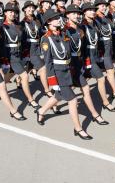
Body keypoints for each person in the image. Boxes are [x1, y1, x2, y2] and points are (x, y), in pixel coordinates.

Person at [36, 9, 93, 140]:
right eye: (55, 18)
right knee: (73, 100)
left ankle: (41, 111)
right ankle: (78, 128)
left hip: (68, 70)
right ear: (49, 22)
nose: (58, 20)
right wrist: (53, 82)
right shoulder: (46, 39)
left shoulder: (62, 34)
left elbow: (68, 54)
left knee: (58, 96)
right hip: (58, 73)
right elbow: (48, 62)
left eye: (58, 18)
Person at [63, 4, 109, 125]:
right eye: (73, 13)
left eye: (77, 13)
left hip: (78, 64)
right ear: (67, 15)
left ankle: (95, 114)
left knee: (86, 89)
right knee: (58, 96)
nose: (76, 15)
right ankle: (42, 110)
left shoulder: (79, 29)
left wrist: (85, 62)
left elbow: (82, 49)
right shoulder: (64, 31)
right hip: (68, 67)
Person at [0, 3, 39, 109]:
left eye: (15, 12)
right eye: (10, 12)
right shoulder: (2, 27)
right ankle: (31, 99)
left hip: (19, 53)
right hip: (11, 55)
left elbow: (23, 40)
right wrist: (4, 59)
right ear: (5, 13)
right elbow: (1, 44)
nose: (13, 14)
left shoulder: (19, 25)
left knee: (11, 73)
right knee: (24, 76)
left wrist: (26, 53)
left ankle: (0, 87)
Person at [94, 0, 115, 102]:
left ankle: (114, 93)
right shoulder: (95, 19)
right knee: (110, 71)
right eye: (102, 6)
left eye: (105, 5)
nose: (104, 7)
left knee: (109, 72)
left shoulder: (106, 17)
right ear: (96, 7)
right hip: (103, 51)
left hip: (109, 49)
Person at [20, 0, 53, 100]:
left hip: (37, 48)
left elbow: (41, 32)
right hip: (29, 50)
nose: (31, 9)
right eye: (28, 7)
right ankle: (47, 90)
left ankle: (15, 80)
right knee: (43, 68)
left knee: (26, 70)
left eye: (32, 8)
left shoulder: (37, 21)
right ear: (24, 10)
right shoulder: (22, 23)